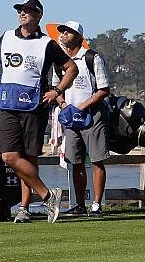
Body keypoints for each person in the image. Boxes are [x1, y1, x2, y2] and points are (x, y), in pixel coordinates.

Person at [0, 0, 78, 224]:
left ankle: (24, 208)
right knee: (9, 157)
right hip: (7, 105)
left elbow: (72, 68)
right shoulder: (7, 37)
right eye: (21, 10)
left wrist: (57, 90)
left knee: (29, 159)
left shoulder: (47, 44)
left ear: (38, 16)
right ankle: (48, 195)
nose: (23, 14)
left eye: (28, 11)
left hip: (34, 106)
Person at [53, 21, 111, 217]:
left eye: (68, 32)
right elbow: (56, 89)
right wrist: (64, 106)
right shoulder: (59, 60)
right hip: (71, 118)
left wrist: (82, 106)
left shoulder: (92, 58)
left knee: (97, 160)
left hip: (93, 115)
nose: (63, 35)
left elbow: (104, 89)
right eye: (62, 32)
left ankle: (96, 204)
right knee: (75, 162)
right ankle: (79, 204)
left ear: (79, 37)